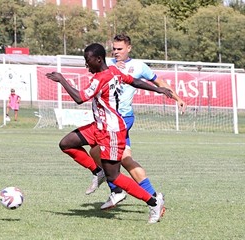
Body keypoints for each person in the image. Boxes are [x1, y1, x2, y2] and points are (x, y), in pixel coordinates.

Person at [45, 43, 173, 223]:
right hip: (98, 126)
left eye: (88, 61)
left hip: (111, 131)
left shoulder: (101, 78)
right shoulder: (113, 71)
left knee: (115, 177)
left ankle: (153, 202)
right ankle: (98, 172)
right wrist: (157, 88)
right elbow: (133, 81)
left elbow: (80, 98)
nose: (86, 65)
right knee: (66, 144)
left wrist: (62, 79)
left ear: (98, 59)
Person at [88, 34, 187, 212]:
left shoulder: (139, 66)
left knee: (100, 153)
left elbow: (159, 82)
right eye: (114, 49)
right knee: (123, 159)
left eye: (120, 49)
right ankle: (153, 197)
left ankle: (118, 191)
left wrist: (177, 97)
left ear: (129, 48)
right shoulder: (106, 63)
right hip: (109, 121)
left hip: (122, 120)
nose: (116, 52)